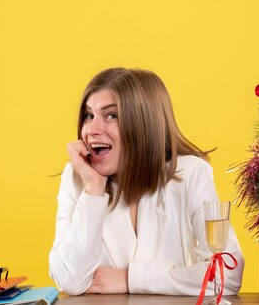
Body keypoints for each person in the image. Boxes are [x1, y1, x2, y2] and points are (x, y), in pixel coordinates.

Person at [49, 67, 244, 296]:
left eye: (111, 115)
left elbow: (226, 274)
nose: (92, 129)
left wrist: (131, 278)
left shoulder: (192, 174)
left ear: (143, 124)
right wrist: (93, 190)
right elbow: (69, 280)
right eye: (89, 116)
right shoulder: (77, 179)